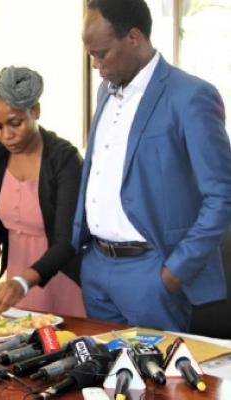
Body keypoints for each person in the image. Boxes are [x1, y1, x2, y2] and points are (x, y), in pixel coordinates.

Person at [72, 0, 231, 331]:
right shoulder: (104, 91)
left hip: (151, 271)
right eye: (91, 54)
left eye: (101, 53)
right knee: (106, 376)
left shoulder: (190, 96)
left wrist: (174, 272)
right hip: (97, 267)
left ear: (134, 38)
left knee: (158, 379)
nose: (95, 64)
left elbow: (222, 195)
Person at [0, 66, 85, 317]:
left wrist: (24, 281)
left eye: (16, 123)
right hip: (15, 281)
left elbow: (66, 242)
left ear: (35, 111)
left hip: (57, 274)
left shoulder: (64, 159)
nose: (7, 136)